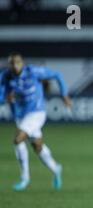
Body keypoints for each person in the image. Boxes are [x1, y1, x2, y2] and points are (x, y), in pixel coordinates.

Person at [0, 53, 72, 191]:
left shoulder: (33, 72)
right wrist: (5, 99)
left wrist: (64, 95)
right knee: (37, 146)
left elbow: (57, 75)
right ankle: (56, 168)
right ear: (9, 65)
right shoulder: (5, 76)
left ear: (23, 63)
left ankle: (24, 177)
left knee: (18, 139)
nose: (15, 66)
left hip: (37, 113)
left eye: (18, 62)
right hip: (21, 116)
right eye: (12, 63)